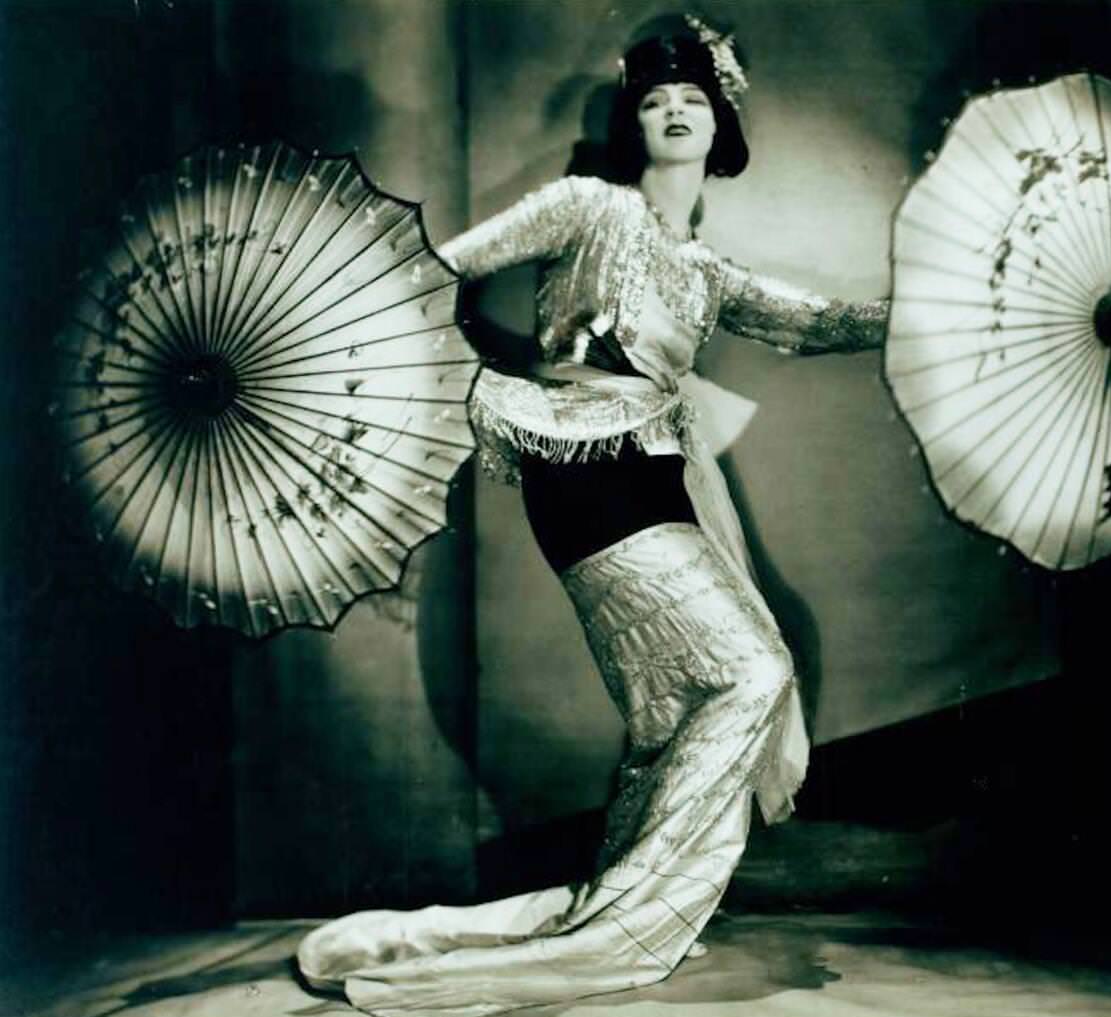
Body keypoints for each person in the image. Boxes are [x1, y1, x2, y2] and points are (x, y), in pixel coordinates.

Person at [297, 15, 889, 1015]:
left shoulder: (706, 274)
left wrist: (921, 311)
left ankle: (607, 904)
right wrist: (512, 380)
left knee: (669, 719)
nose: (670, 114)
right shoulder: (586, 206)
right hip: (577, 466)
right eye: (653, 101)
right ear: (632, 121)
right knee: (750, 670)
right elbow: (440, 264)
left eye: (691, 102)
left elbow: (815, 321)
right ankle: (624, 917)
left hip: (654, 474)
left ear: (718, 130)